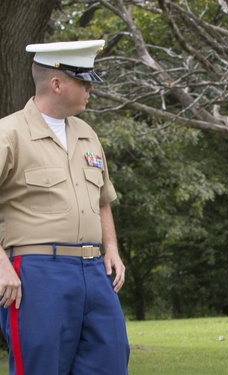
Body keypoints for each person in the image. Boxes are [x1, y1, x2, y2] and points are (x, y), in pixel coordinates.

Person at [0, 40, 129, 375]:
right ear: (57, 83)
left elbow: (102, 198)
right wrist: (1, 266)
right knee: (41, 365)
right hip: (35, 271)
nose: (90, 88)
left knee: (112, 358)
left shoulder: (87, 134)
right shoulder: (9, 134)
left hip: (92, 270)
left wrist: (111, 247)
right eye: (84, 81)